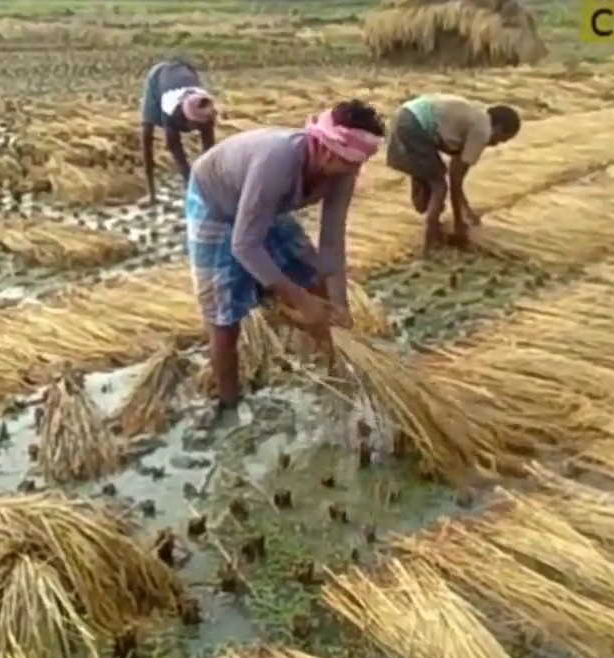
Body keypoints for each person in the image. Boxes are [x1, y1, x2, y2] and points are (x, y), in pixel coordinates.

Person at [185, 99, 385, 423]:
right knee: (223, 316)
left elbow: (332, 241)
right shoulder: (277, 162)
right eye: (351, 163)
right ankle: (229, 403)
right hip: (217, 205)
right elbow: (244, 244)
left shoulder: (342, 171)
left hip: (263, 205)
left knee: (314, 279)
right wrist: (299, 300)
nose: (356, 172)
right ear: (325, 149)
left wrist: (340, 305)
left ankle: (335, 370)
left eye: (359, 164)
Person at [384, 94, 521, 255]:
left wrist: (466, 210)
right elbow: (455, 181)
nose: (497, 144)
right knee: (439, 187)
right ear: (498, 128)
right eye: (502, 139)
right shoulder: (482, 131)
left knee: (431, 179)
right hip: (416, 125)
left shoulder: (475, 116)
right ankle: (429, 242)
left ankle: (431, 220)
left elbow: (455, 171)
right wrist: (459, 223)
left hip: (406, 114)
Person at [140, 58, 218, 200]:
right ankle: (151, 194)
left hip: (185, 70)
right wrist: (189, 180)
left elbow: (209, 150)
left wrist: (208, 183)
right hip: (159, 77)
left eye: (198, 125)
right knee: (146, 131)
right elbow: (174, 147)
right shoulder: (171, 112)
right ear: (186, 118)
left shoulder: (206, 112)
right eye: (193, 124)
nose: (194, 128)